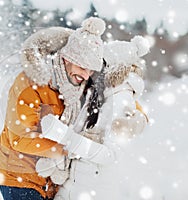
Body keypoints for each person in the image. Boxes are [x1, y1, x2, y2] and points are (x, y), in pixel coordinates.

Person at [0, 17, 106, 200]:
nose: (86, 75)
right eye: (82, 67)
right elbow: (20, 139)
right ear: (66, 58)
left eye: (91, 70)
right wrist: (67, 150)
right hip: (20, 178)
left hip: (51, 181)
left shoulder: (77, 87)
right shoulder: (30, 83)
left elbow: (116, 91)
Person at [39, 36, 150, 200]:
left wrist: (65, 136)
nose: (89, 72)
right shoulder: (97, 96)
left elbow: (111, 155)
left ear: (110, 68)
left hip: (94, 190)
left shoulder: (120, 100)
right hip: (76, 187)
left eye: (96, 66)